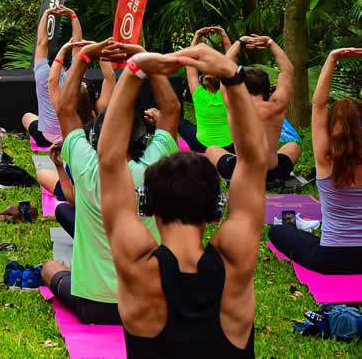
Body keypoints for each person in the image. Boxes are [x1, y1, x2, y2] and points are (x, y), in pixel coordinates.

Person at [97, 45, 265, 356]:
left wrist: (134, 71)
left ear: (147, 204)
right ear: (215, 209)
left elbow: (109, 161)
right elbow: (254, 161)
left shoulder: (138, 268)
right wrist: (232, 75)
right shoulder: (235, 261)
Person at [40, 38, 181, 325]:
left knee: (49, 267)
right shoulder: (156, 163)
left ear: (95, 137)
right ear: (143, 136)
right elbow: (171, 109)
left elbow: (66, 110)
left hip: (95, 305)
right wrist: (145, 54)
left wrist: (85, 57)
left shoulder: (85, 164)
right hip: (150, 305)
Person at [269, 47, 362, 274]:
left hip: (330, 259)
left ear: (332, 130)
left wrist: (332, 58)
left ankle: (301, 227)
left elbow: (318, 105)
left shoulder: (324, 160)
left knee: (278, 231)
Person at [206, 34, 301, 182]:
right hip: (274, 171)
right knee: (293, 146)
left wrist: (240, 42)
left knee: (211, 149)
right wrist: (270, 42)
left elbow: (223, 68)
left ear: (242, 87)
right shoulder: (276, 105)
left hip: (241, 173)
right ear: (267, 89)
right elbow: (287, 71)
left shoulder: (234, 105)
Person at [36, 36, 114, 206]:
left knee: (42, 174)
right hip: (103, 189)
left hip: (79, 193)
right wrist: (98, 49)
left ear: (67, 100)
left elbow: (52, 81)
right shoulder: (100, 109)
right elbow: (110, 79)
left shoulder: (64, 115)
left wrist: (63, 51)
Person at [22, 6, 82, 148]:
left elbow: (42, 43)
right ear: (67, 61)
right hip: (70, 137)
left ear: (49, 61)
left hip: (46, 138)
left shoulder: (42, 73)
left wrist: (47, 13)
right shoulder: (73, 75)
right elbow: (78, 45)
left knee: (27, 116)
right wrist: (72, 14)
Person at [179, 26, 234, 153]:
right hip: (229, 146)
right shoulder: (227, 95)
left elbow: (190, 66)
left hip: (201, 145)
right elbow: (230, 63)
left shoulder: (198, 95)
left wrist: (196, 37)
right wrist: (224, 35)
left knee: (181, 123)